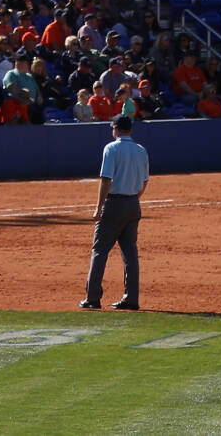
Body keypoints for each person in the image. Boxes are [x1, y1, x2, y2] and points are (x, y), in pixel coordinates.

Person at [80, 115, 148, 311]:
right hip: (133, 204)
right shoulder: (141, 150)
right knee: (130, 253)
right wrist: (133, 199)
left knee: (100, 251)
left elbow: (106, 179)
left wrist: (99, 206)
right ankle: (131, 298)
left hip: (114, 204)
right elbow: (144, 182)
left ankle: (92, 298)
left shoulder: (111, 148)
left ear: (116, 129)